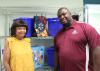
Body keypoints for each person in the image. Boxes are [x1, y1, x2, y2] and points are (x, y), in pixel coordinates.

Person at [54, 7, 100, 71]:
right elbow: (57, 54)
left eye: (64, 14)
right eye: (59, 16)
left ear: (70, 14)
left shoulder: (85, 27)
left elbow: (97, 48)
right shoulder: (58, 35)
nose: (62, 17)